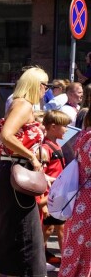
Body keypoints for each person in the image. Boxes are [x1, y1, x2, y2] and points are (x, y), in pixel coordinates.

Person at [0, 66, 50, 277]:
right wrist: (32, 156)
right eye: (45, 85)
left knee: (9, 237)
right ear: (37, 85)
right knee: (28, 239)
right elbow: (6, 135)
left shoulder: (20, 104)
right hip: (17, 174)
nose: (46, 90)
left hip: (13, 173)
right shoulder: (23, 104)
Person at [59, 109, 91, 276]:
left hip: (81, 195)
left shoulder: (84, 136)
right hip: (87, 199)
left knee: (79, 246)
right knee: (81, 247)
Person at [40, 110, 70, 268]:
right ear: (53, 127)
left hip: (58, 195)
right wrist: (43, 202)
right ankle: (40, 258)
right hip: (50, 195)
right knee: (48, 228)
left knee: (60, 227)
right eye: (64, 126)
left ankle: (65, 257)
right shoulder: (45, 148)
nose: (67, 129)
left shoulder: (56, 144)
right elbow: (42, 175)